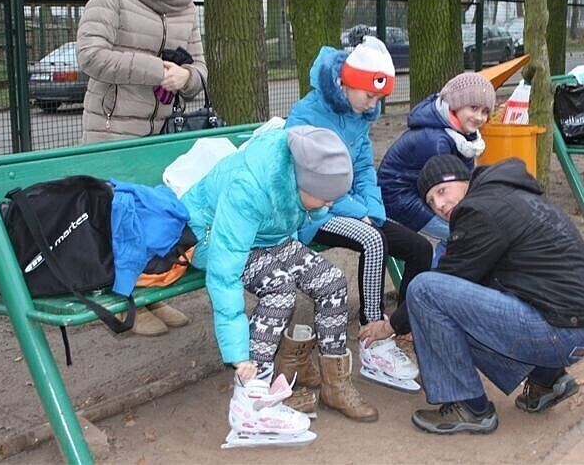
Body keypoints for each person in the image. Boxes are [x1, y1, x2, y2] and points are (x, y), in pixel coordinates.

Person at [180, 126, 378, 422]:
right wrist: (238, 354)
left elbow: (293, 220)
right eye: (326, 198)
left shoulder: (300, 177)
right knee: (280, 290)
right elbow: (224, 274)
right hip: (211, 236)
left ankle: (334, 386)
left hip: (265, 235)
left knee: (331, 282)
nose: (330, 205)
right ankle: (255, 390)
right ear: (303, 185)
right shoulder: (248, 188)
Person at [405, 154, 584, 434]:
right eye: (431, 202)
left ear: (464, 180)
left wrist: (392, 325)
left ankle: (470, 407)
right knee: (456, 305)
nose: (439, 204)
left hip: (560, 332)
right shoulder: (505, 195)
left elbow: (447, 278)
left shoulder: (480, 209)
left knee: (424, 290)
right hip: (573, 329)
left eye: (442, 191)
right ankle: (546, 379)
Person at [285, 36, 433, 392]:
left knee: (420, 248)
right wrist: (357, 213)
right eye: (370, 95)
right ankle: (372, 340)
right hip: (313, 210)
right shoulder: (307, 114)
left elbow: (365, 168)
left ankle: (401, 327)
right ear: (346, 83)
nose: (373, 104)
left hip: (351, 207)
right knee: (373, 240)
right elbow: (310, 179)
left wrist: (370, 211)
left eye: (379, 99)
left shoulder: (359, 114)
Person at [76, 0, 206, 334]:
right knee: (118, 220)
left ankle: (152, 295)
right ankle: (123, 303)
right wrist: (156, 70)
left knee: (151, 220)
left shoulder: (185, 6)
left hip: (159, 131)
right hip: (112, 127)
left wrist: (186, 77)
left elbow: (200, 69)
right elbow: (90, 55)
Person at [377, 72, 495, 246]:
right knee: (462, 233)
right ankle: (447, 263)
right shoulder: (436, 140)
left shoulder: (463, 137)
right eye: (474, 107)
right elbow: (446, 186)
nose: (479, 117)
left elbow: (466, 180)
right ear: (456, 104)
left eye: (485, 112)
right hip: (399, 199)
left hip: (426, 193)